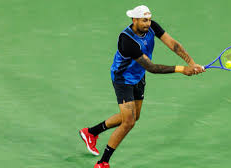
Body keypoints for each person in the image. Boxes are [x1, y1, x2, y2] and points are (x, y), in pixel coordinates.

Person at [79, 5, 205, 168]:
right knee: (129, 122)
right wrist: (182, 69)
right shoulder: (127, 40)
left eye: (149, 19)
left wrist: (192, 63)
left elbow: (173, 44)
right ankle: (103, 162)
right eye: (144, 20)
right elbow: (152, 67)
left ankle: (91, 132)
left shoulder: (153, 27)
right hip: (123, 79)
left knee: (134, 116)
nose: (148, 23)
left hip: (138, 76)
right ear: (134, 20)